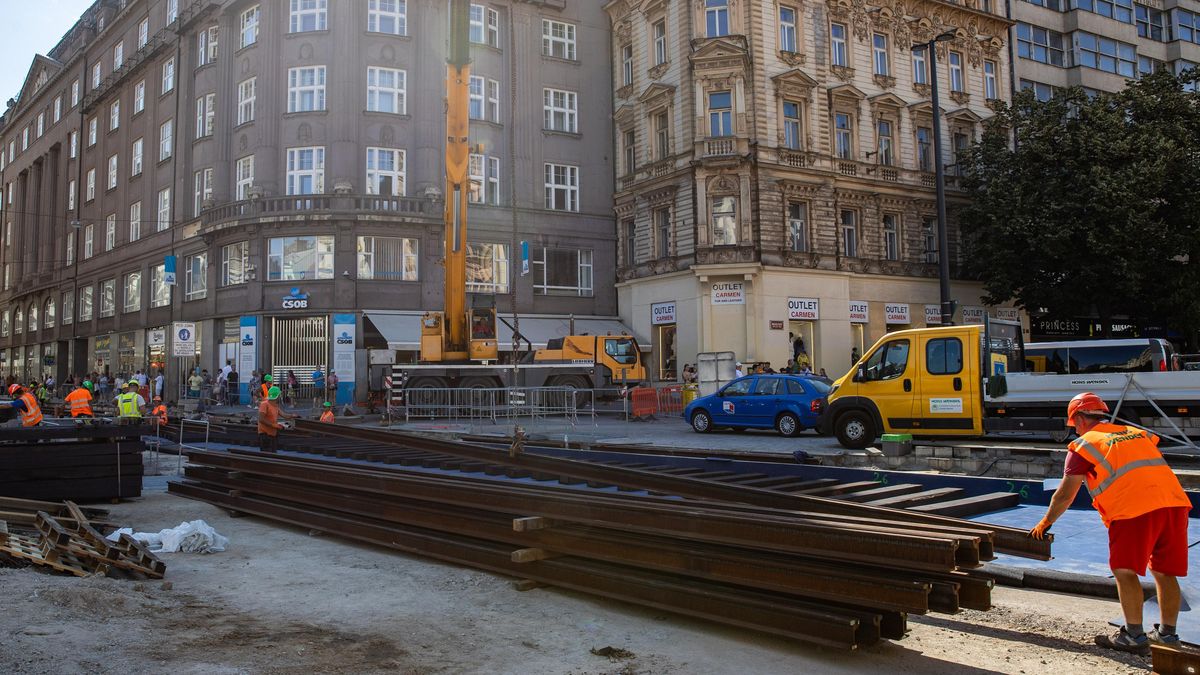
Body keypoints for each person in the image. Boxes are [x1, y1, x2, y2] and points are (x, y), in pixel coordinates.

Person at [1029, 392, 1191, 654]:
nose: (1074, 430)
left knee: (1124, 571)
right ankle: (1167, 636)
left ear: (1079, 418)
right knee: (1164, 572)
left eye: (1074, 424)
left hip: (1134, 510)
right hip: (1175, 504)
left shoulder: (1084, 446)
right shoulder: (1135, 432)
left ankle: (1134, 636)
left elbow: (1065, 495)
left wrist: (1046, 522)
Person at [257, 386, 296, 453]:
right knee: (267, 455)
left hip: (273, 434)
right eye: (279, 395)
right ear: (276, 396)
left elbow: (284, 415)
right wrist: (274, 425)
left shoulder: (275, 406)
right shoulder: (264, 404)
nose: (280, 396)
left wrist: (292, 415)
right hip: (265, 435)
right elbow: (261, 419)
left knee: (273, 454)